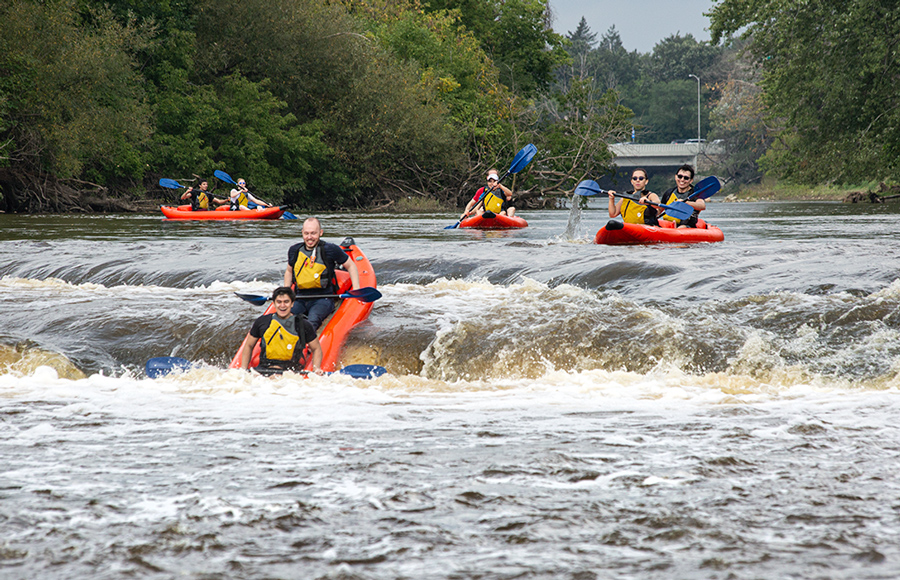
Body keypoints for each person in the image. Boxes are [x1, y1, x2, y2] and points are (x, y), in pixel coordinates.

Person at [283, 217, 360, 330]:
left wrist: (356, 289)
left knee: (312, 321)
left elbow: (351, 266)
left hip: (323, 298)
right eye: (306, 233)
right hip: (299, 297)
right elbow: (289, 271)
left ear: (320, 233)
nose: (309, 237)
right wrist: (286, 293)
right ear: (302, 233)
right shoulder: (294, 250)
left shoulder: (330, 249)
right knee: (286, 321)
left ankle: (306, 345)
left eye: (313, 233)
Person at [239, 287, 323, 375]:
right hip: (264, 369)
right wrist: (244, 368)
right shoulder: (262, 322)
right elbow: (249, 345)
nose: (282, 306)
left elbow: (316, 348)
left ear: (292, 304)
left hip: (291, 372)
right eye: (279, 302)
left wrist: (316, 368)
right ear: (274, 304)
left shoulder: (303, 325)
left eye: (286, 302)